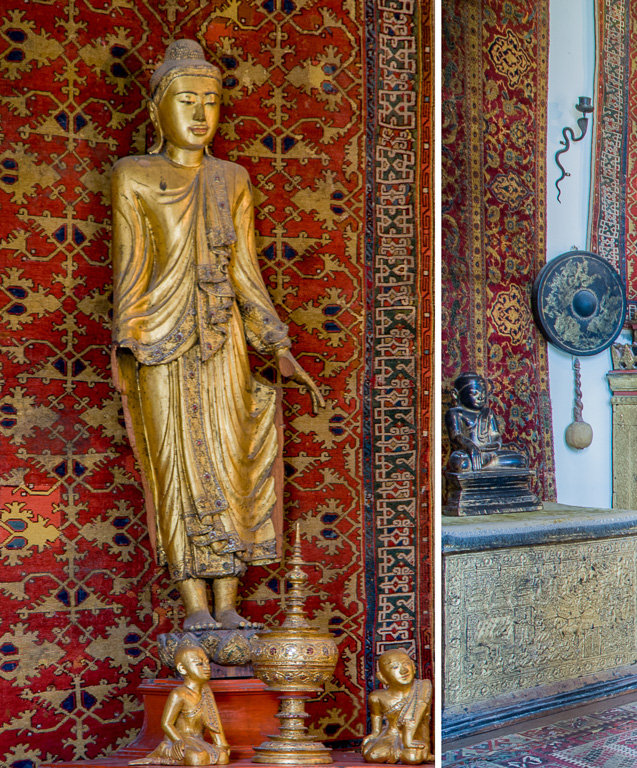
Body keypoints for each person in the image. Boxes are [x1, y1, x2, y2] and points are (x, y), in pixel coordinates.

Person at [111, 39, 324, 632]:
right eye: (187, 100)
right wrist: (130, 341)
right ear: (158, 110)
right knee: (175, 467)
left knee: (230, 462)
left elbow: (245, 273)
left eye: (211, 101)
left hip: (224, 337)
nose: (201, 114)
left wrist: (277, 344)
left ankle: (229, 605)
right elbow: (131, 269)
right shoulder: (133, 176)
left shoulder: (233, 178)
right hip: (159, 342)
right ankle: (194, 610)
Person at [130, 646, 227, 766]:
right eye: (199, 664)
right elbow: (166, 723)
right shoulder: (179, 694)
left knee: (223, 757)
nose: (206, 667)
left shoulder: (206, 691)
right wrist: (177, 741)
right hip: (180, 739)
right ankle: (163, 750)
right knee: (197, 758)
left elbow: (214, 721)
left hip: (197, 740)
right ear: (182, 668)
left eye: (207, 663)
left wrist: (221, 743)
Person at [446, 372, 529, 473]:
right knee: (461, 463)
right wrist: (471, 447)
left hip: (489, 453)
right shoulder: (455, 413)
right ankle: (482, 464)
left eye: (483, 393)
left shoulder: (488, 412)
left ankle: (484, 464)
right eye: (474, 393)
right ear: (455, 394)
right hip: (468, 453)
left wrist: (496, 444)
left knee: (521, 460)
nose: (481, 397)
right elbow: (456, 436)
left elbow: (495, 435)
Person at [362, 650, 433, 764]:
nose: (403, 670)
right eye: (395, 667)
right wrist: (374, 734)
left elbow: (421, 722)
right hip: (391, 734)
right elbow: (376, 717)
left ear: (413, 667)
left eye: (406, 664)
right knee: (372, 755)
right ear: (382, 677)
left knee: (412, 758)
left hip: (414, 737)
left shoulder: (423, 688)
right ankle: (400, 753)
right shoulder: (377, 697)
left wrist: (424, 748)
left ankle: (406, 752)